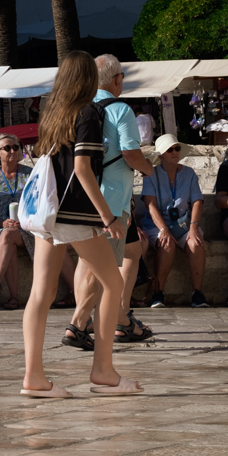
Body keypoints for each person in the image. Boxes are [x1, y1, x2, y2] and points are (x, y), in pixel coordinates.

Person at [21, 50, 137, 397]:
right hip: (74, 215)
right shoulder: (88, 112)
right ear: (87, 77)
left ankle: (34, 377)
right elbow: (83, 169)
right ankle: (103, 371)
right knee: (113, 283)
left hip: (49, 214)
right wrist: (109, 217)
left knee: (40, 294)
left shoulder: (52, 111)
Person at [70, 55, 154, 345]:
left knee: (121, 253)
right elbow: (131, 153)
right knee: (102, 265)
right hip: (113, 201)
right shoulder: (121, 109)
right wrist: (147, 168)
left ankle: (121, 318)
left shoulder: (83, 108)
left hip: (88, 195)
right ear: (117, 79)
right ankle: (78, 324)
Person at [141, 133, 208, 308]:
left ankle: (197, 293)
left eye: (177, 148)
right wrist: (163, 229)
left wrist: (194, 227)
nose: (174, 152)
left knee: (196, 242)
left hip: (183, 224)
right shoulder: (151, 174)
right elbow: (150, 205)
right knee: (167, 242)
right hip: (157, 225)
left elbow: (197, 202)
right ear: (161, 154)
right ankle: (159, 292)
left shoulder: (189, 173)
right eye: (170, 149)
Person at [0, 134, 36, 309]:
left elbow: (39, 201)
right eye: (7, 148)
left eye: (16, 147)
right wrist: (3, 223)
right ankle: (13, 298)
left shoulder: (29, 175)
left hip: (27, 227)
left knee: (8, 236)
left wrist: (25, 220)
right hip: (0, 228)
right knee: (8, 237)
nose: (13, 151)